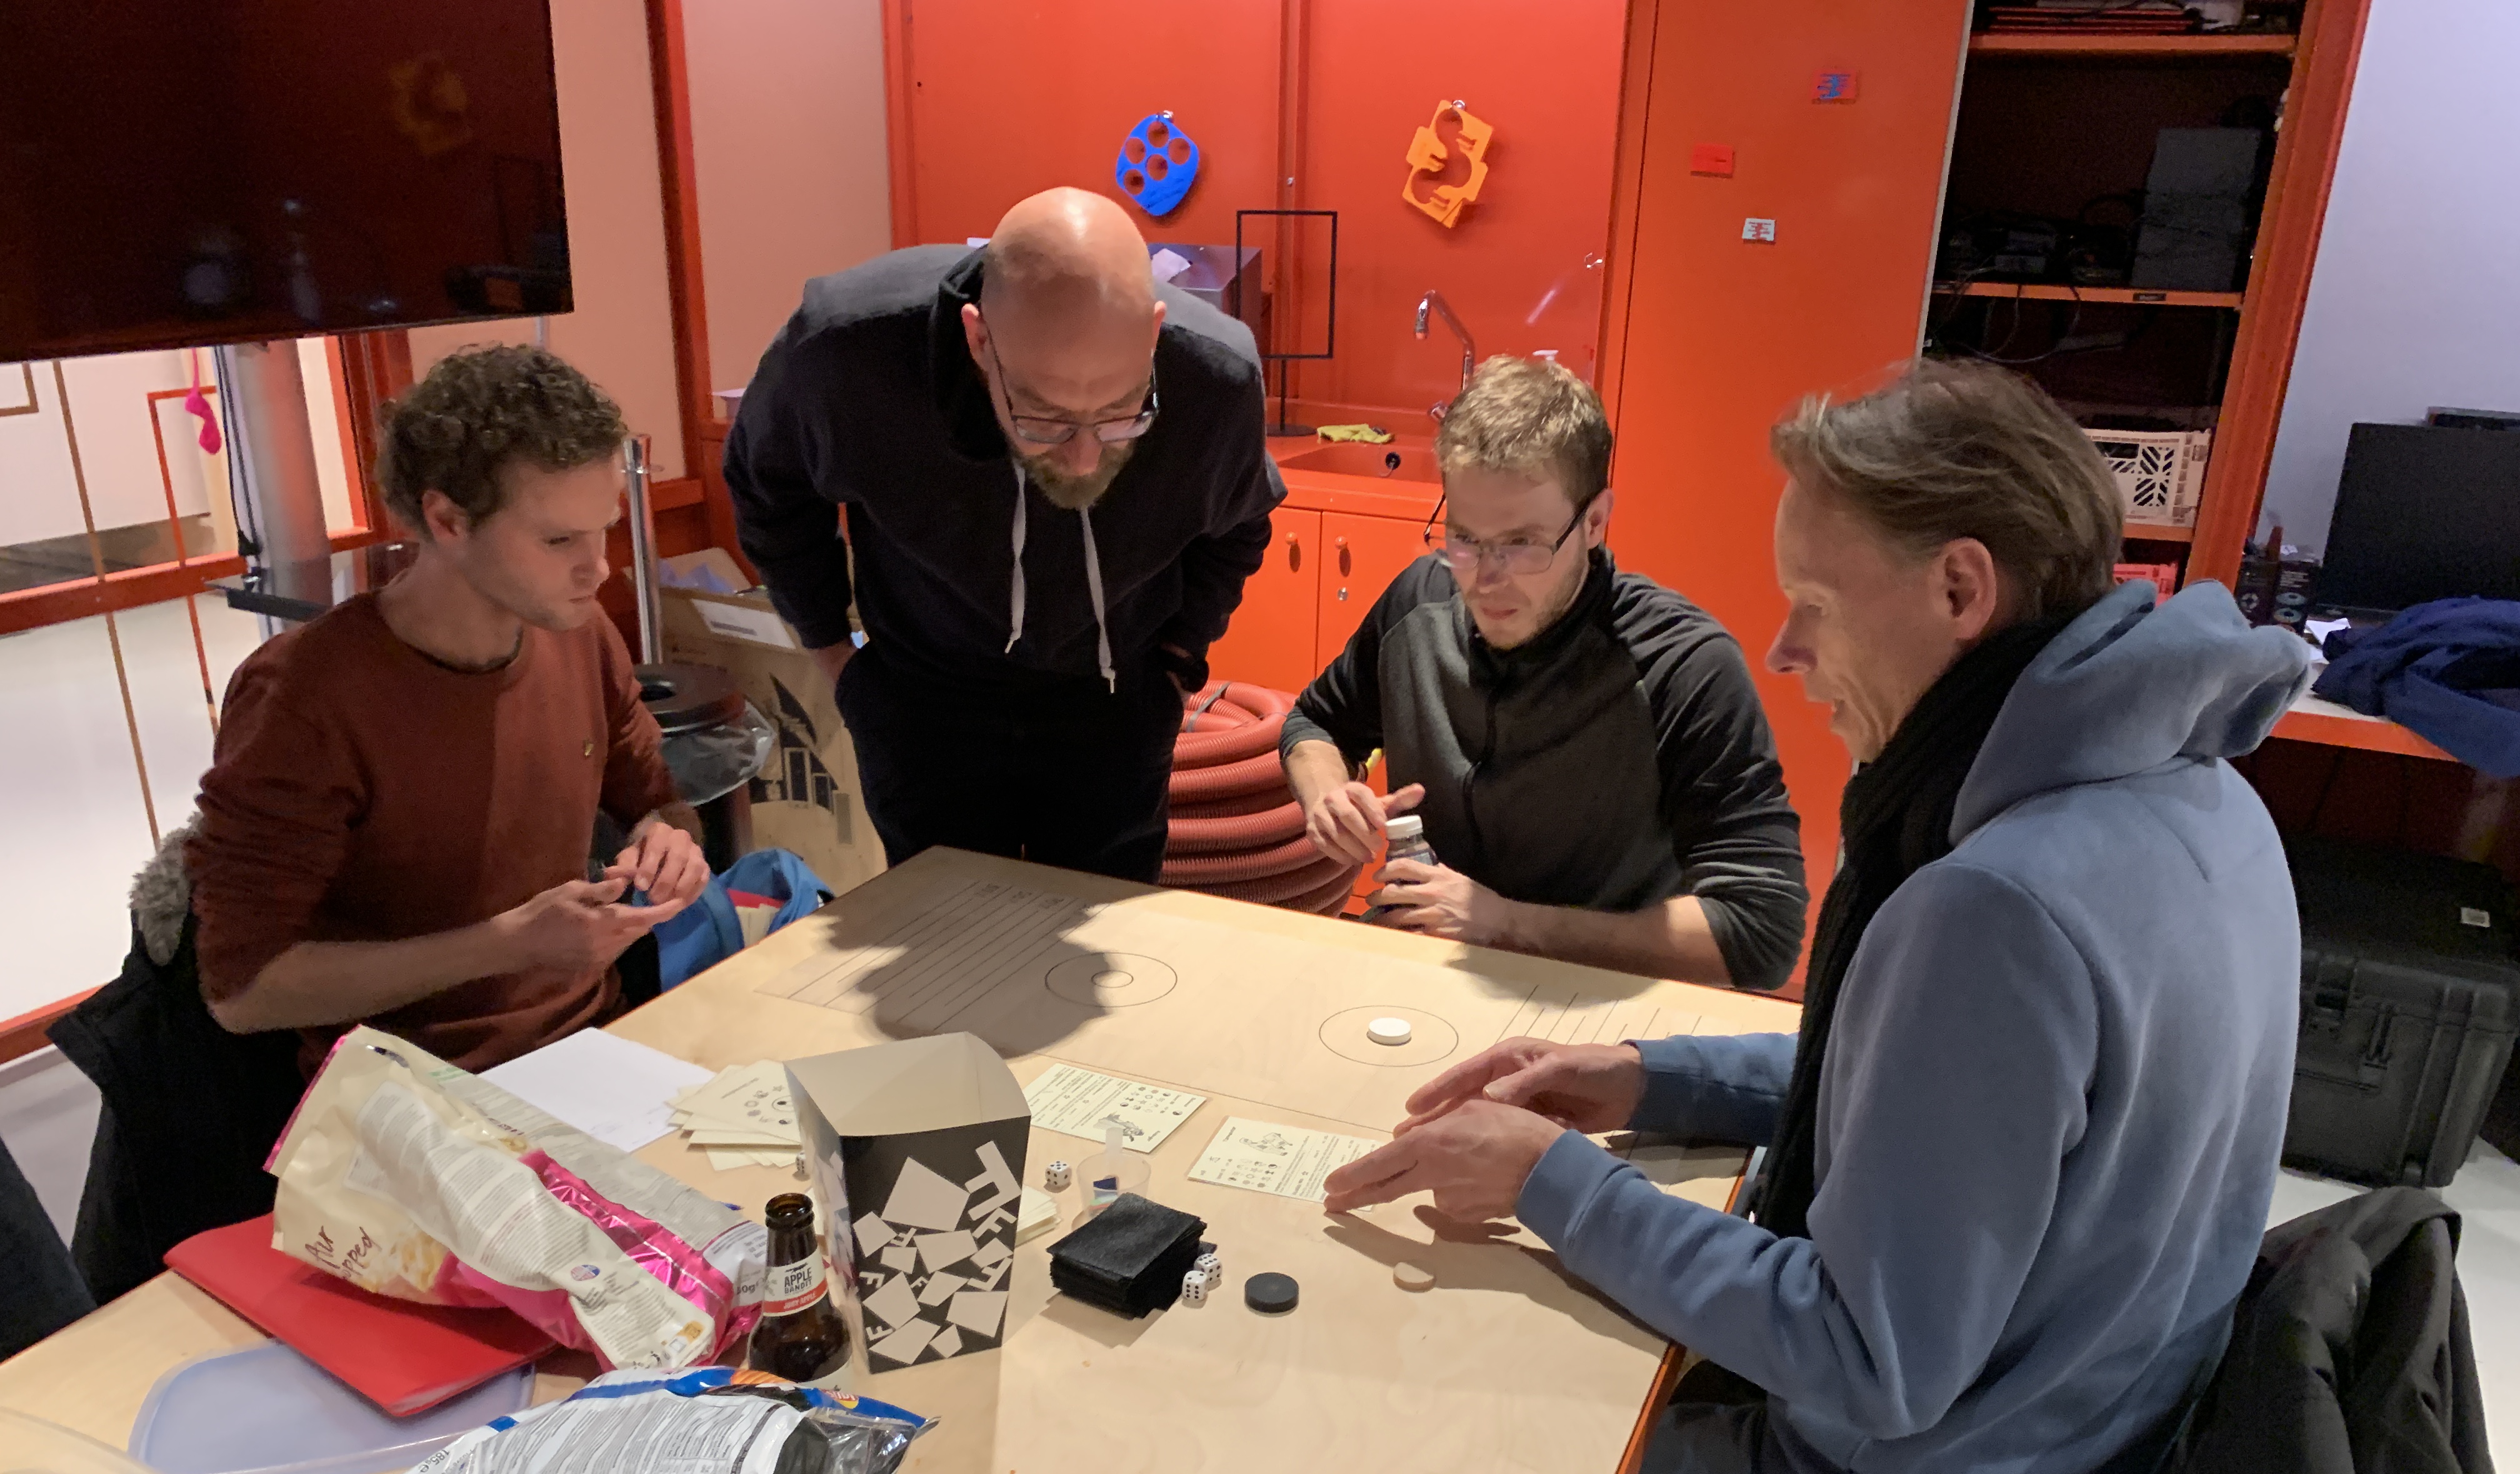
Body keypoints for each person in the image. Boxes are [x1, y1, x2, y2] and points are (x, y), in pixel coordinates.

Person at [1321, 361, 2312, 1474]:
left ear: (1961, 589)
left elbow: (1865, 1356)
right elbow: (1940, 1089)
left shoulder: (1999, 904)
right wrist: (1648, 1078)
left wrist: (1556, 1181)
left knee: (1409, 1450)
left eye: (1816, 608)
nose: (1784, 650)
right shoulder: (2201, 799)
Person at [723, 186, 1280, 884]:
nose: (1084, 458)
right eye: (1043, 417)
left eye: (1119, 413)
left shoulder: (1217, 375)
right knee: (941, 925)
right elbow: (767, 488)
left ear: (1153, 334)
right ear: (979, 339)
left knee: (1108, 929)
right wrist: (836, 657)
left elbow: (1241, 522)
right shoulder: (846, 350)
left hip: (1114, 700)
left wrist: (1178, 660)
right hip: (924, 698)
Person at [191, 344, 709, 1074]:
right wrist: (508, 944)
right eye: (558, 539)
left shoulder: (581, 633)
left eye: (605, 529)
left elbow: (655, 801)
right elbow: (243, 992)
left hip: (592, 1045)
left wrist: (669, 841)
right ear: (448, 521)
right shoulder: (306, 695)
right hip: (412, 1085)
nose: (598, 567)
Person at [1281, 356, 1805, 988]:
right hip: (1421, 973)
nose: (1485, 578)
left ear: (1595, 522)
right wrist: (1328, 795)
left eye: (1522, 543)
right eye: (1464, 539)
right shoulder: (1419, 604)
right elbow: (1316, 722)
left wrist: (1506, 924)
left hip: (1592, 1003)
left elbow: (1762, 930)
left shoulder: (1684, 665)